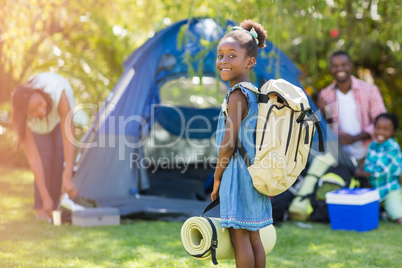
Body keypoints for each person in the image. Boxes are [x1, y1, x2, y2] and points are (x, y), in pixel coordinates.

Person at [210, 20, 272, 268]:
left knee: (239, 236)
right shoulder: (255, 93)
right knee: (254, 235)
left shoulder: (237, 94)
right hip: (254, 171)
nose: (223, 60)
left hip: (237, 172)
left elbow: (228, 143)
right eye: (220, 55)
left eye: (232, 55)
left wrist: (217, 177)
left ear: (250, 62)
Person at [11, 72, 78, 221]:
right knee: (45, 155)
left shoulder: (59, 93)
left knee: (58, 156)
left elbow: (68, 139)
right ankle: (42, 206)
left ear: (39, 93)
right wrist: (44, 195)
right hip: (39, 127)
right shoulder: (22, 119)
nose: (40, 111)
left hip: (57, 115)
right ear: (25, 114)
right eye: (33, 111)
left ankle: (55, 207)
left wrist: (67, 177)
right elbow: (34, 158)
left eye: (39, 104)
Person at [317, 51, 386, 165]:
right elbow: (326, 127)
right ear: (330, 68)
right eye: (335, 66)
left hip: (370, 153)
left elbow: (381, 122)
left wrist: (355, 138)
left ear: (351, 66)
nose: (340, 69)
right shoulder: (325, 94)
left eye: (344, 65)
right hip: (343, 157)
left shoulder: (369, 89)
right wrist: (324, 113)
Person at [355, 113, 402, 224]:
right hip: (373, 191)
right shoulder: (373, 146)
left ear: (393, 132)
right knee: (362, 215)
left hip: (389, 189)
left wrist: (362, 173)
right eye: (378, 128)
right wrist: (363, 171)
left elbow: (382, 170)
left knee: (398, 217)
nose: (381, 132)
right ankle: (382, 212)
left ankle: (389, 210)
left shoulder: (393, 147)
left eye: (385, 129)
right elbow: (367, 164)